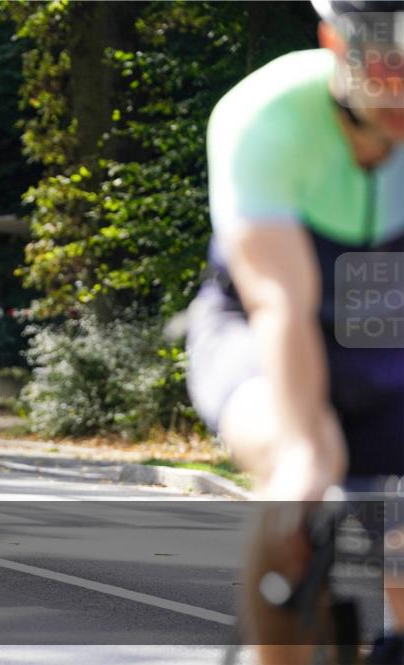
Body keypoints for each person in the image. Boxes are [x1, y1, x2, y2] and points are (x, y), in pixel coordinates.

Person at [186, 1, 404, 662]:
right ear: (333, 42)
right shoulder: (266, 113)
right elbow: (281, 301)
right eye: (387, 65)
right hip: (257, 322)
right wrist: (307, 455)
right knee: (298, 463)